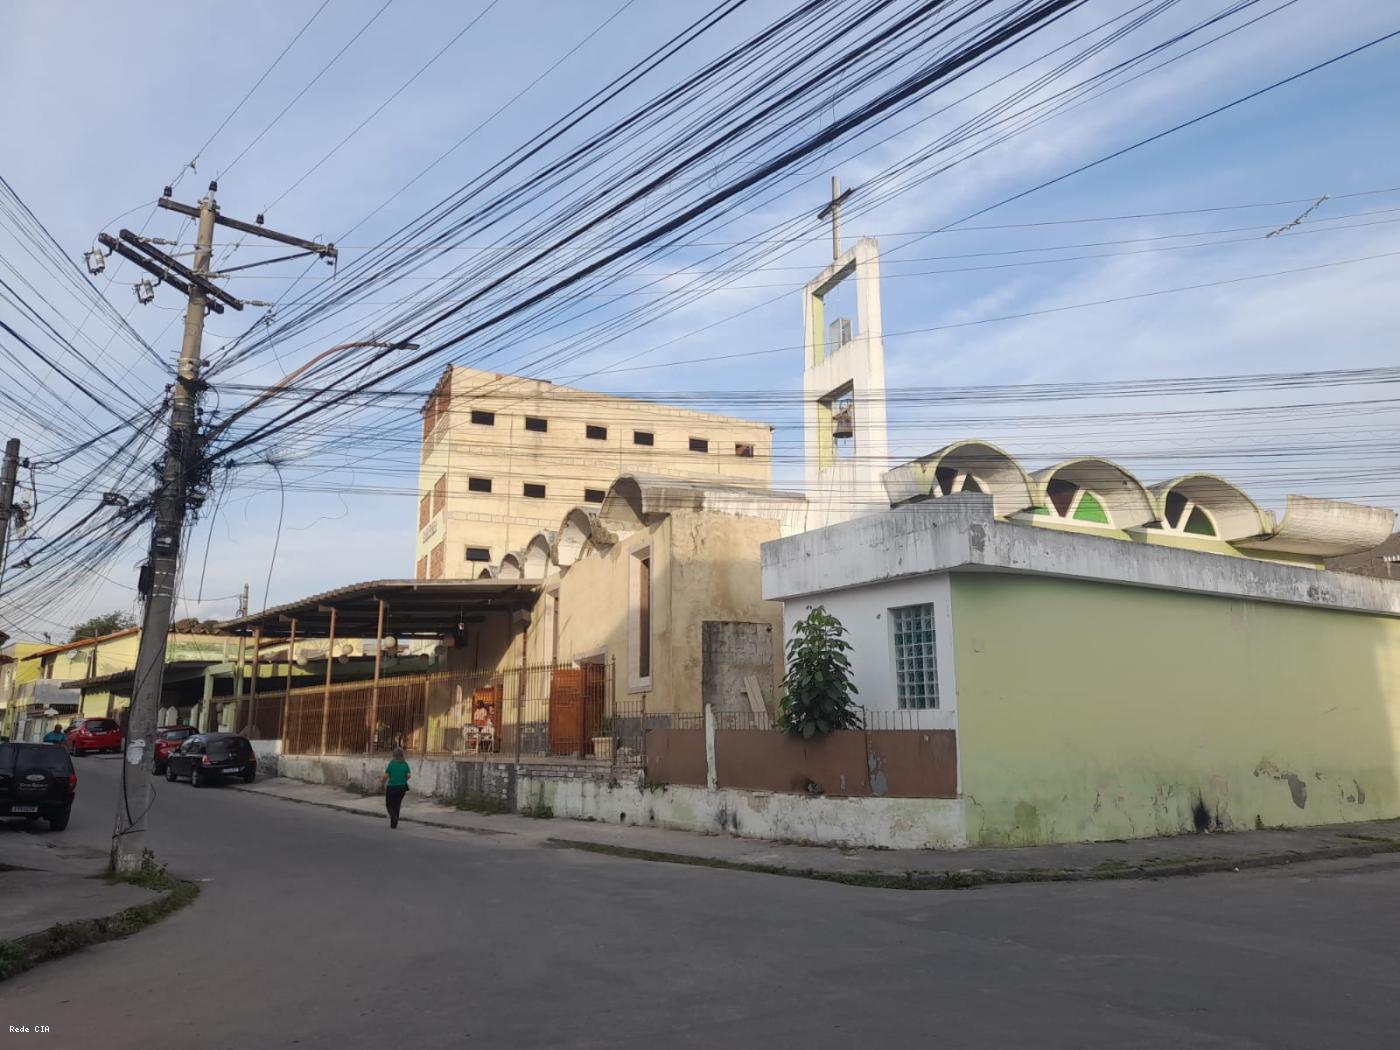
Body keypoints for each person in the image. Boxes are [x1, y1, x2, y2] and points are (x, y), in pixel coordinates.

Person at [381, 747, 411, 830]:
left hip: (392, 787)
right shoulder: (405, 763)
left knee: (389, 804)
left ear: (394, 755)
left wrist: (382, 783)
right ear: (402, 755)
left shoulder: (392, 763)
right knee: (397, 805)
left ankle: (393, 817)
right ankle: (393, 825)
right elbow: (409, 775)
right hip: (402, 787)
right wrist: (403, 779)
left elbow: (385, 776)